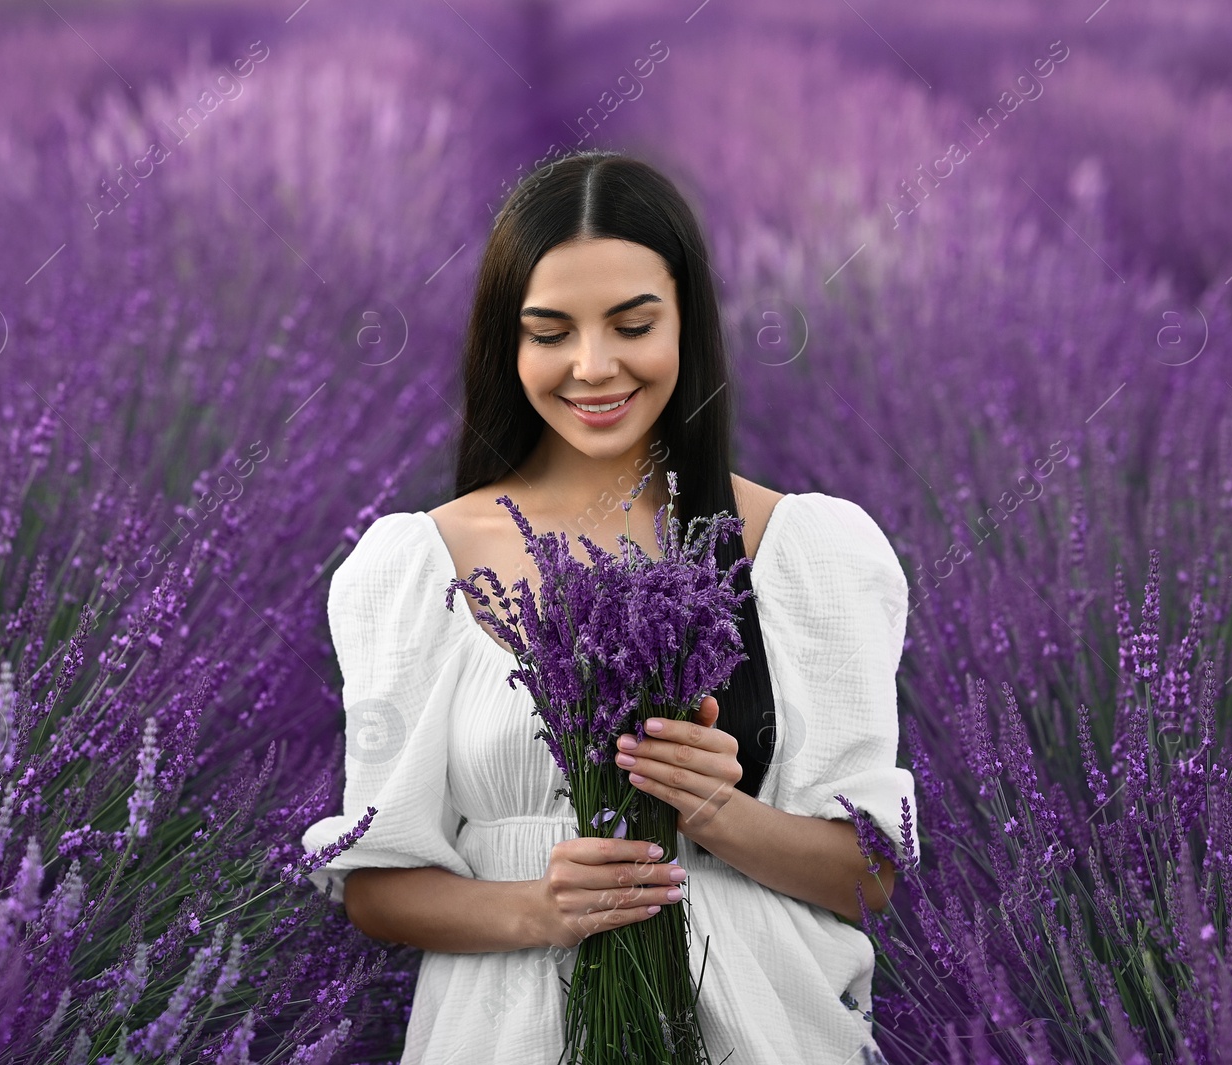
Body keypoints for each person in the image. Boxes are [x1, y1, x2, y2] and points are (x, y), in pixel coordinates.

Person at [300, 149, 917, 1063]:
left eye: (632, 324)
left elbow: (870, 875)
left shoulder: (803, 552)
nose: (593, 367)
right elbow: (377, 883)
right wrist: (537, 908)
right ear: (506, 346)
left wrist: (716, 810)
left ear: (688, 326)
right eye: (550, 332)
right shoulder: (417, 563)